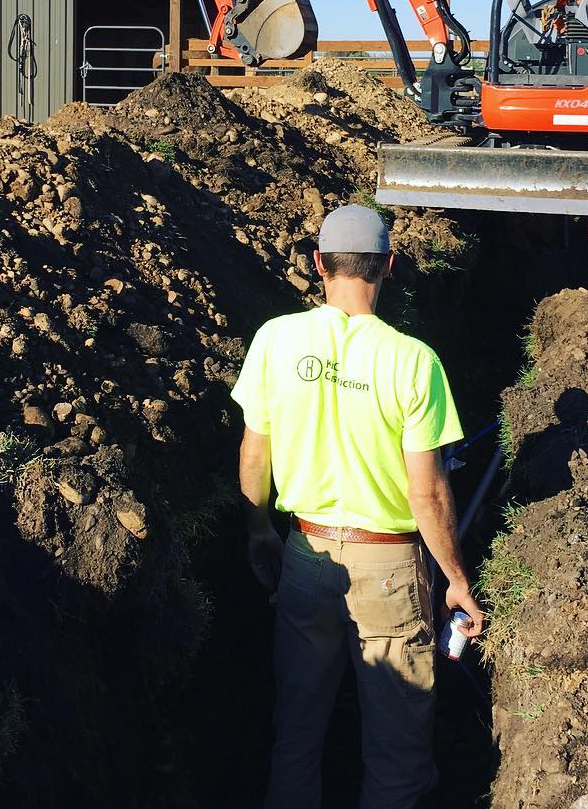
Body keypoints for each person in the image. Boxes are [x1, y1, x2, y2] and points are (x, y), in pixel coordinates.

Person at [231, 203, 484, 809]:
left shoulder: (274, 340)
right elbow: (426, 493)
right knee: (397, 756)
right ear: (388, 267)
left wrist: (258, 529)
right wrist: (455, 579)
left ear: (319, 264)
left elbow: (253, 452)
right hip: (389, 571)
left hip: (304, 556)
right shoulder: (414, 361)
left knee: (295, 736)